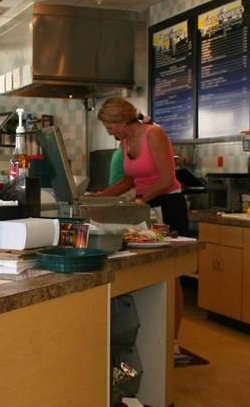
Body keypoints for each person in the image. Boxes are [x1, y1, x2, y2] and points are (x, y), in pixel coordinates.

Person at [88, 97, 188, 354]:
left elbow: (167, 179)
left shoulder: (154, 134)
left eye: (110, 127)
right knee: (152, 271)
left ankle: (173, 342)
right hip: (147, 206)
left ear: (122, 121)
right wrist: (99, 197)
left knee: (171, 274)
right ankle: (155, 340)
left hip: (168, 205)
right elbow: (129, 180)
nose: (109, 132)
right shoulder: (125, 141)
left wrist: (141, 200)